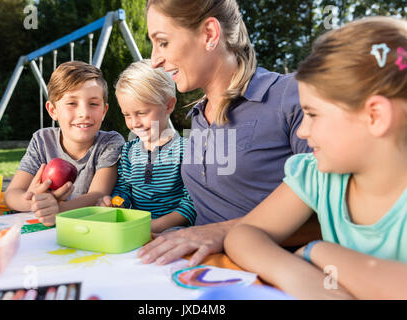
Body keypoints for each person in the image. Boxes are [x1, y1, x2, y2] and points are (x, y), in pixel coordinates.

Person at [224, 17, 407, 299]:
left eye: (312, 114)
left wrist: (320, 251)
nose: (302, 130)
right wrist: (299, 276)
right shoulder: (317, 175)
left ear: (375, 116)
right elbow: (243, 234)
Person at [138, 0, 312, 267]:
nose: (154, 60)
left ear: (209, 34)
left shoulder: (290, 96)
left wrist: (224, 232)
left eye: (163, 42)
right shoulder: (196, 117)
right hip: (196, 271)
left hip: (272, 275)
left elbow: (338, 218)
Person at [4, 61, 125, 226]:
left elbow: (98, 194)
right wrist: (34, 202)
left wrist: (57, 210)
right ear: (53, 110)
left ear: (104, 111)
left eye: (94, 104)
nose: (84, 113)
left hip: (86, 229)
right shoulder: (42, 140)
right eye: (72, 103)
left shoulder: (110, 142)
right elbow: (11, 194)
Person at [97, 59, 196, 233]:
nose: (134, 123)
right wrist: (115, 202)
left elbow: (191, 204)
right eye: (127, 115)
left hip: (174, 230)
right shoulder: (128, 151)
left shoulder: (186, 151)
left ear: (169, 105)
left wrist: (154, 227)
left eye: (141, 113)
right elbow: (124, 189)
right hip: (136, 228)